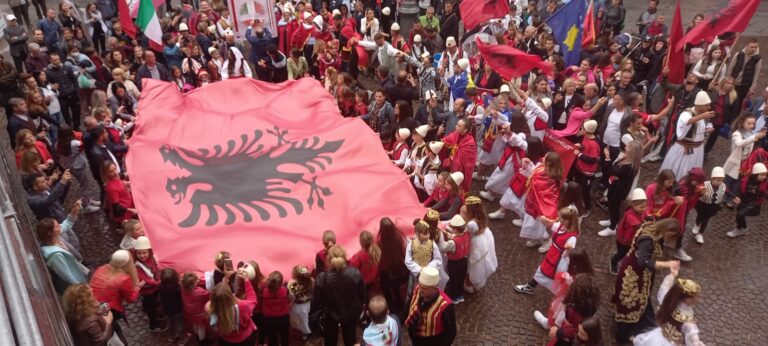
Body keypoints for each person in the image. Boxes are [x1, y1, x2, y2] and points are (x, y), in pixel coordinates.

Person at [613, 219, 681, 343]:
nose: (668, 239)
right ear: (667, 229)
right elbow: (642, 261)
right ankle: (623, 333)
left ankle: (642, 325)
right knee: (631, 303)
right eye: (670, 235)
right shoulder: (648, 239)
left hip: (640, 274)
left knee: (642, 300)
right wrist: (666, 264)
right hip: (633, 275)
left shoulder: (653, 229)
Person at [310, 245, 367, 346]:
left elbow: (316, 302)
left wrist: (314, 317)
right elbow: (362, 296)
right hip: (350, 313)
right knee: (350, 339)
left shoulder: (322, 278)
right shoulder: (355, 273)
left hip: (330, 315)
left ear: (328, 260)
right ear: (345, 258)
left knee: (330, 341)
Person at [516, 206, 580, 295]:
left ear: (567, 220)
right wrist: (541, 217)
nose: (559, 219)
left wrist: (568, 248)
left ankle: (560, 296)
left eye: (561, 218)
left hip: (559, 260)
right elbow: (551, 224)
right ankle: (531, 286)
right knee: (543, 270)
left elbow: (570, 248)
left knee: (553, 276)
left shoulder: (572, 236)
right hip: (553, 255)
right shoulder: (561, 226)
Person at [633, 270, 705, 345]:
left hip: (659, 338)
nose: (699, 299)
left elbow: (664, 287)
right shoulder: (688, 323)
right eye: (697, 297)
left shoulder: (669, 301)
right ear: (687, 299)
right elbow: (694, 342)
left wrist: (672, 275)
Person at [660, 91, 714, 181]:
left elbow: (699, 129)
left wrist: (707, 130)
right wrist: (701, 116)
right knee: (680, 169)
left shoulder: (705, 115)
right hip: (684, 148)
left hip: (697, 150)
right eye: (707, 105)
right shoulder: (687, 113)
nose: (709, 107)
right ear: (700, 105)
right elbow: (686, 122)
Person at [90, 250, 142, 336]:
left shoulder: (103, 268)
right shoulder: (123, 279)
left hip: (94, 305)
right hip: (109, 309)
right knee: (114, 329)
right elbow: (131, 298)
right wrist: (137, 287)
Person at [598, 141, 644, 237]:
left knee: (614, 207)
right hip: (615, 186)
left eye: (628, 147)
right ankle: (611, 220)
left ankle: (612, 228)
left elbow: (612, 170)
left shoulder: (629, 166)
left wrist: (607, 157)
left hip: (619, 190)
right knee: (612, 205)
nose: (625, 147)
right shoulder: (627, 159)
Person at [520, 152, 563, 250]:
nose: (542, 158)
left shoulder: (552, 177)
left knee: (545, 223)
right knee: (534, 222)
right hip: (535, 201)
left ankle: (549, 240)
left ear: (549, 163)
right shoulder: (541, 168)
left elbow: (538, 184)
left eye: (545, 158)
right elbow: (533, 174)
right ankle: (537, 238)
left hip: (544, 204)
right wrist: (529, 164)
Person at [37, 212, 88, 295]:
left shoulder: (56, 237)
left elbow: (66, 224)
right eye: (57, 226)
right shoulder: (55, 256)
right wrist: (83, 290)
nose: (60, 226)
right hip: (75, 288)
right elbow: (67, 277)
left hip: (78, 275)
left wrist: (74, 212)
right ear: (50, 233)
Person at [404, 267, 456, 345]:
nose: (420, 290)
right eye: (420, 285)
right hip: (416, 339)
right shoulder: (418, 290)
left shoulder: (446, 306)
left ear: (435, 288)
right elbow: (407, 306)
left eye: (424, 288)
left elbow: (451, 332)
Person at [723, 113, 766, 205]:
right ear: (742, 122)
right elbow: (739, 143)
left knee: (737, 182)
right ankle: (723, 197)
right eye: (749, 123)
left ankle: (731, 199)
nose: (751, 126)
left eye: (753, 124)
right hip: (734, 162)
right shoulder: (737, 133)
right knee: (728, 181)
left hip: (744, 163)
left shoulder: (751, 134)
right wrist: (755, 137)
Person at [207, 272, 258, 345]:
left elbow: (220, 297)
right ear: (230, 295)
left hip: (225, 340)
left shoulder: (211, 308)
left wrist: (223, 283)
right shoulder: (242, 306)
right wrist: (246, 280)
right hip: (244, 340)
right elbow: (253, 300)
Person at [463, 197, 498, 293]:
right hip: (484, 238)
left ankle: (470, 284)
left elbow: (469, 234)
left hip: (475, 242)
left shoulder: (471, 224)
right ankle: (476, 284)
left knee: (472, 265)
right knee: (480, 263)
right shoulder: (481, 215)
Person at [133, 236, 166, 332]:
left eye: (144, 253)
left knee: (155, 303)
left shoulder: (152, 259)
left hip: (155, 288)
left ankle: (158, 315)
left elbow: (155, 269)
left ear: (149, 252)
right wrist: (158, 282)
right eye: (139, 253)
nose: (142, 255)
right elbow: (145, 279)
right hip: (148, 292)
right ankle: (153, 325)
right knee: (150, 309)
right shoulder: (138, 266)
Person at [727, 162, 768, 238]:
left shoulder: (764, 183)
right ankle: (744, 228)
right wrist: (737, 197)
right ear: (756, 174)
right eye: (762, 175)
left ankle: (739, 229)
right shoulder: (746, 180)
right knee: (739, 214)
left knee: (740, 214)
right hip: (744, 200)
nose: (764, 177)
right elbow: (740, 189)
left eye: (765, 175)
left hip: (753, 203)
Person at [691, 167, 726, 245]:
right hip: (702, 205)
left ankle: (700, 234)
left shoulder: (723, 186)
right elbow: (697, 189)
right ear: (712, 179)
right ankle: (696, 225)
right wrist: (701, 192)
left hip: (713, 206)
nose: (719, 182)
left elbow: (727, 191)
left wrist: (734, 197)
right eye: (717, 180)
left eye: (721, 180)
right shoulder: (705, 184)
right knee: (699, 216)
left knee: (705, 220)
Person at [441, 118, 477, 192]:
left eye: (459, 126)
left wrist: (453, 159)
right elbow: (446, 140)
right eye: (457, 124)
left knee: (458, 184)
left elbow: (468, 162)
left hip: (461, 169)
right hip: (452, 163)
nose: (456, 126)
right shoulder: (456, 134)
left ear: (465, 130)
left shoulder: (470, 142)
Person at [728, 38, 762, 108]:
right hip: (734, 83)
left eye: (756, 47)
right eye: (752, 47)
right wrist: (727, 80)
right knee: (729, 101)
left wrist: (753, 87)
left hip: (745, 85)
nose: (754, 49)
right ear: (747, 46)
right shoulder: (738, 54)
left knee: (739, 104)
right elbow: (731, 68)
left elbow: (756, 74)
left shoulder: (757, 59)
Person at [160, 268, 188, 344]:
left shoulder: (161, 286)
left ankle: (172, 336)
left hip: (167, 309)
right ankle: (182, 339)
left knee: (170, 322)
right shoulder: (178, 288)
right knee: (179, 324)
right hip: (177, 309)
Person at [261, 271, 290, 346]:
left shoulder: (264, 291)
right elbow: (290, 298)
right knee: (285, 337)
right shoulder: (285, 291)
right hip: (283, 318)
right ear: (280, 283)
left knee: (272, 338)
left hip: (269, 319)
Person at [181, 272, 211, 343]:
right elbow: (209, 295)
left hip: (190, 313)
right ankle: (203, 341)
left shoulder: (183, 289)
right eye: (196, 280)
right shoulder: (200, 292)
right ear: (192, 284)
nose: (198, 279)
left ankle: (197, 336)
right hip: (199, 314)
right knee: (201, 328)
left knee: (195, 325)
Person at [287, 265, 313, 339]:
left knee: (299, 319)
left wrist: (290, 303)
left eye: (293, 273)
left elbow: (292, 297)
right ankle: (306, 331)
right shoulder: (311, 281)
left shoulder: (292, 284)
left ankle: (304, 332)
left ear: (296, 276)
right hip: (308, 304)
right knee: (305, 318)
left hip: (297, 306)